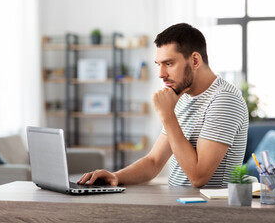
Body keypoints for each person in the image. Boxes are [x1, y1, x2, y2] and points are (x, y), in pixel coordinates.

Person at [78, 23, 248, 188]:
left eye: (169, 63)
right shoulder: (182, 95)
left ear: (195, 60)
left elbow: (198, 177)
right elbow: (154, 162)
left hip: (208, 211)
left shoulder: (224, 100)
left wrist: (167, 114)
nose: (161, 74)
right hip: (179, 204)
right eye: (159, 65)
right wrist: (116, 176)